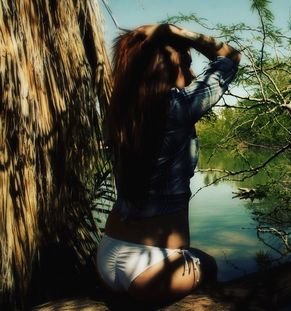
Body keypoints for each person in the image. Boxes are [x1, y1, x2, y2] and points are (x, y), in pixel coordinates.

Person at [96, 23, 240, 302]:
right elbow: (229, 57)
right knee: (209, 264)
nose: (192, 73)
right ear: (163, 68)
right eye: (185, 63)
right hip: (154, 270)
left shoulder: (119, 114)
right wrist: (179, 33)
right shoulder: (178, 106)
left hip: (108, 253)